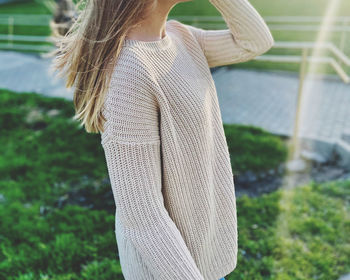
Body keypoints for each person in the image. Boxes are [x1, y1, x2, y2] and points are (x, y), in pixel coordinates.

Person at [49, 0, 274, 279]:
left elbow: (255, 41)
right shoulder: (128, 72)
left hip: (204, 255)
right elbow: (142, 215)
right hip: (171, 268)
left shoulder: (182, 37)